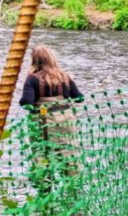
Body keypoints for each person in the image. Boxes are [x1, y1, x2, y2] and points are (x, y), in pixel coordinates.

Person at [19, 45, 85, 187]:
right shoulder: (64, 76)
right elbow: (79, 98)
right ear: (51, 58)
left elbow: (26, 102)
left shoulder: (32, 79)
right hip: (65, 122)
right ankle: (72, 185)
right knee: (68, 150)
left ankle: (45, 187)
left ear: (34, 60)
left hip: (42, 123)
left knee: (41, 152)